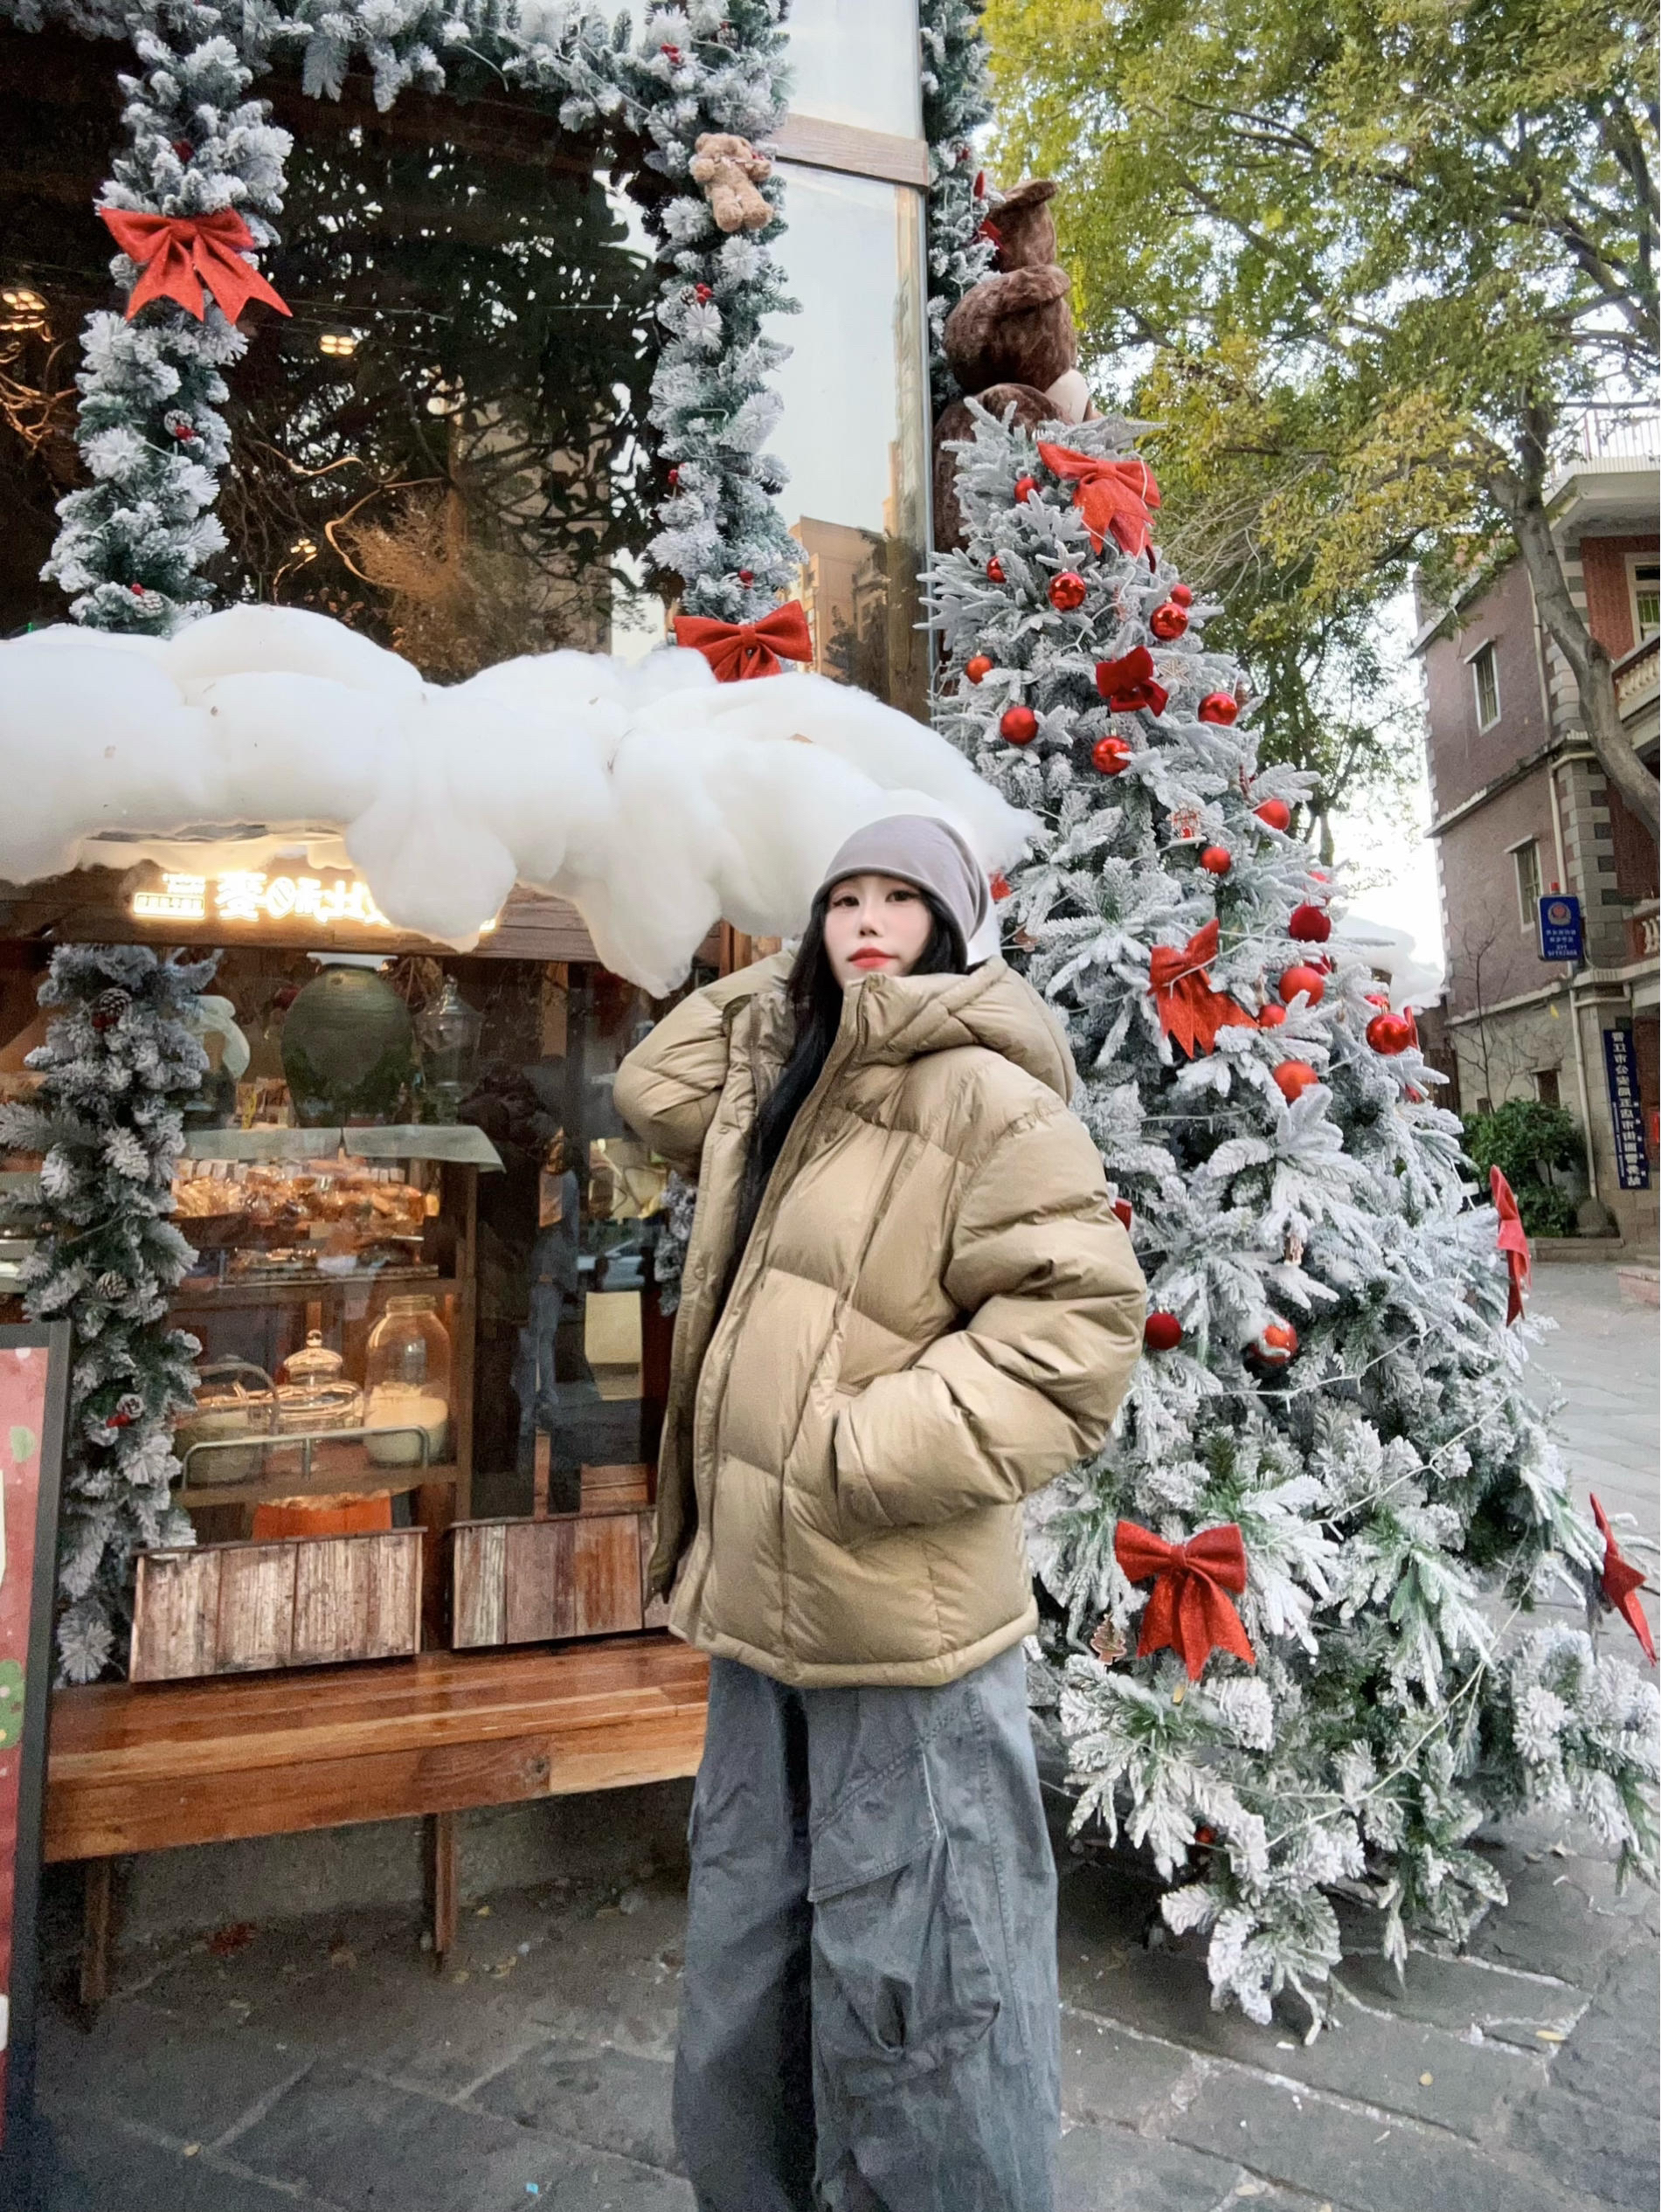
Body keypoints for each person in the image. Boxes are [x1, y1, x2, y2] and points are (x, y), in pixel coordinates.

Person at [613, 814, 1146, 2212]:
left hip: (901, 1619)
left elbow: (1074, 1335)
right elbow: (650, 1085)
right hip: (757, 1610)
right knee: (754, 1961)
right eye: (842, 898)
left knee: (925, 1980)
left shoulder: (986, 1097)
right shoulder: (787, 1076)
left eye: (900, 900)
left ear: (953, 928)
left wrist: (853, 1452)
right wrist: (803, 979)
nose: (864, 919)